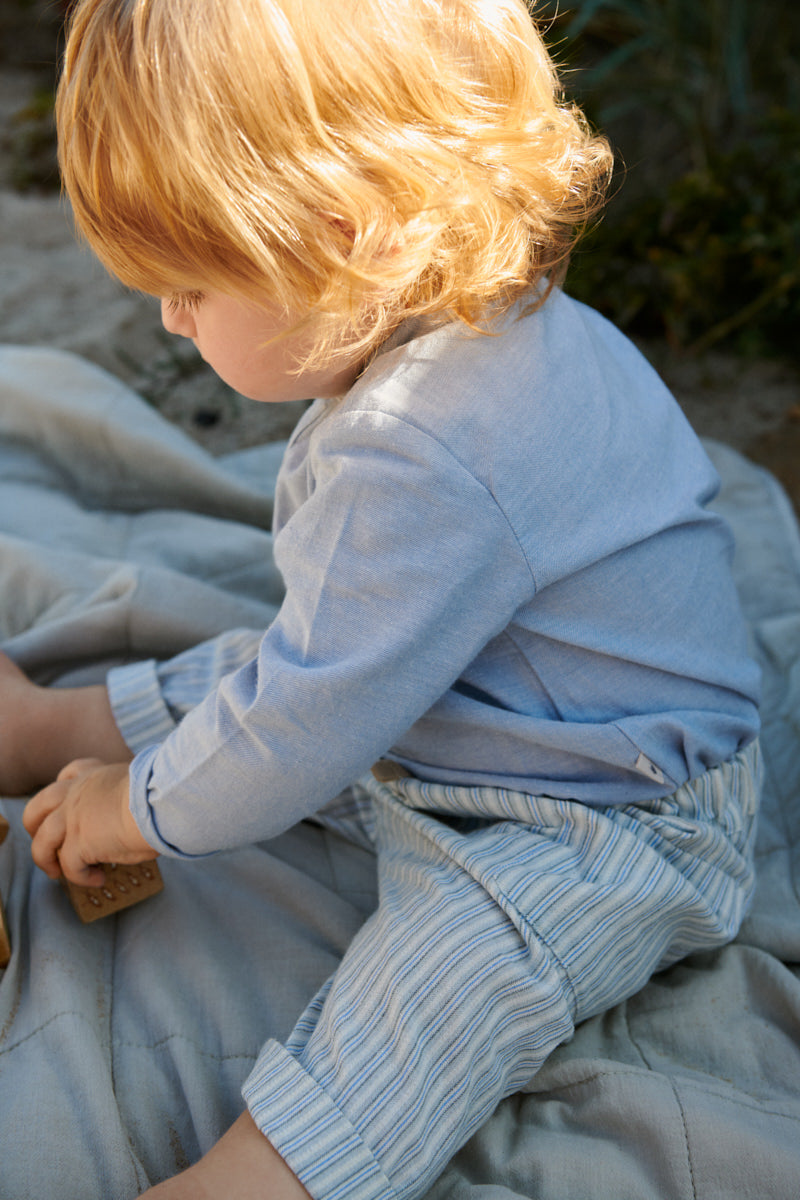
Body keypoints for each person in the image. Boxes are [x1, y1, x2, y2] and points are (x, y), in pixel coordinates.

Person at [6, 0, 761, 1196]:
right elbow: (312, 672)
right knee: (274, 669)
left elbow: (299, 731)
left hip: (609, 806)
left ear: (344, 241)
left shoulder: (421, 446)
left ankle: (264, 1174)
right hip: (480, 705)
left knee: (458, 964)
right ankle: (54, 727)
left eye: (193, 290)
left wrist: (136, 812)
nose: (168, 317)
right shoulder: (475, 317)